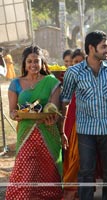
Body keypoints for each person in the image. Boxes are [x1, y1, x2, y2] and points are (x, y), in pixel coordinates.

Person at [60, 30, 107, 200]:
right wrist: (62, 130)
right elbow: (65, 101)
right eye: (104, 47)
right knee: (86, 172)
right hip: (86, 130)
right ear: (91, 48)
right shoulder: (74, 72)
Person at [5, 45, 68, 199]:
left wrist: (53, 118)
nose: (33, 64)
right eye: (29, 61)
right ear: (24, 64)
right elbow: (13, 111)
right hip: (25, 134)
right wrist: (16, 115)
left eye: (37, 61)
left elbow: (53, 109)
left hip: (48, 132)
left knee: (48, 172)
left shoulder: (51, 82)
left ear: (42, 63)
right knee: (26, 172)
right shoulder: (16, 84)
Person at [62, 48, 86, 200]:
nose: (76, 65)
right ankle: (69, 187)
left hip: (84, 121)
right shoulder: (67, 77)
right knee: (69, 153)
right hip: (69, 120)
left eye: (79, 62)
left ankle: (75, 188)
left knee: (80, 156)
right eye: (73, 62)